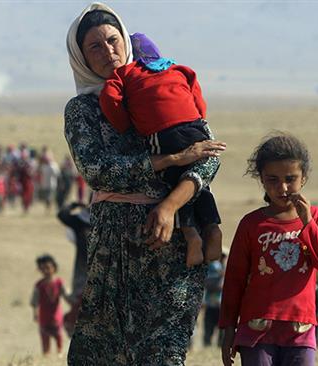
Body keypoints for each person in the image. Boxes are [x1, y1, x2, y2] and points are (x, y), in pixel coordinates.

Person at [64, 3, 226, 364]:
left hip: (176, 242)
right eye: (95, 47)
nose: (108, 52)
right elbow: (96, 170)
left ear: (126, 40)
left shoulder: (161, 84)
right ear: (81, 57)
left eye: (113, 40)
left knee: (163, 352)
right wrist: (167, 160)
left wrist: (170, 206)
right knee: (102, 353)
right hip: (115, 250)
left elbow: (208, 154)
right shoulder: (83, 110)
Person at [100, 32, 222, 267]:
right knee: (198, 180)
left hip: (163, 132)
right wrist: (198, 120)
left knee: (171, 179)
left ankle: (191, 235)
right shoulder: (178, 68)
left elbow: (110, 98)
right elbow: (197, 95)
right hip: (195, 127)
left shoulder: (125, 72)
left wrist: (125, 123)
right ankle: (212, 227)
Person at [219, 133, 318, 366]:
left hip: (300, 328)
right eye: (272, 179)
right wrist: (228, 329)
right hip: (256, 329)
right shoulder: (251, 224)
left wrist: (308, 223)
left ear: (303, 178)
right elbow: (234, 280)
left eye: (290, 178)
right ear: (262, 180)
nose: (282, 187)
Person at [56, 202, 91, 337]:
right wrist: (74, 205)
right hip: (83, 272)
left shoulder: (109, 218)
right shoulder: (80, 223)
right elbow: (62, 214)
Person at [31, 254, 68, 357]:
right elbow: (35, 301)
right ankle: (46, 356)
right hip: (44, 317)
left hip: (56, 317)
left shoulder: (59, 282)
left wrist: (74, 303)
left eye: (48, 267)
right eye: (42, 268)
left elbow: (66, 295)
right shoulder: (39, 285)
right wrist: (35, 313)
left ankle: (59, 353)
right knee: (45, 337)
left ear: (54, 268)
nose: (45, 271)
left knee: (58, 335)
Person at [203, 251, 227, 347]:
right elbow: (209, 284)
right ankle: (207, 346)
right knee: (209, 329)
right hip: (211, 305)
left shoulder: (225, 269)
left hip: (221, 306)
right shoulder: (213, 268)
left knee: (222, 332)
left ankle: (219, 346)